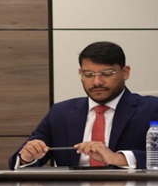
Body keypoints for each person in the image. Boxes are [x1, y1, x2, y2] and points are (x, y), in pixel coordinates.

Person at [10, 41, 158, 169]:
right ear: (80, 73)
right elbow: (19, 162)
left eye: (107, 74)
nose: (97, 82)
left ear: (125, 72)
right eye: (88, 75)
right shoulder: (60, 112)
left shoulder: (152, 108)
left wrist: (118, 158)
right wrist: (27, 158)